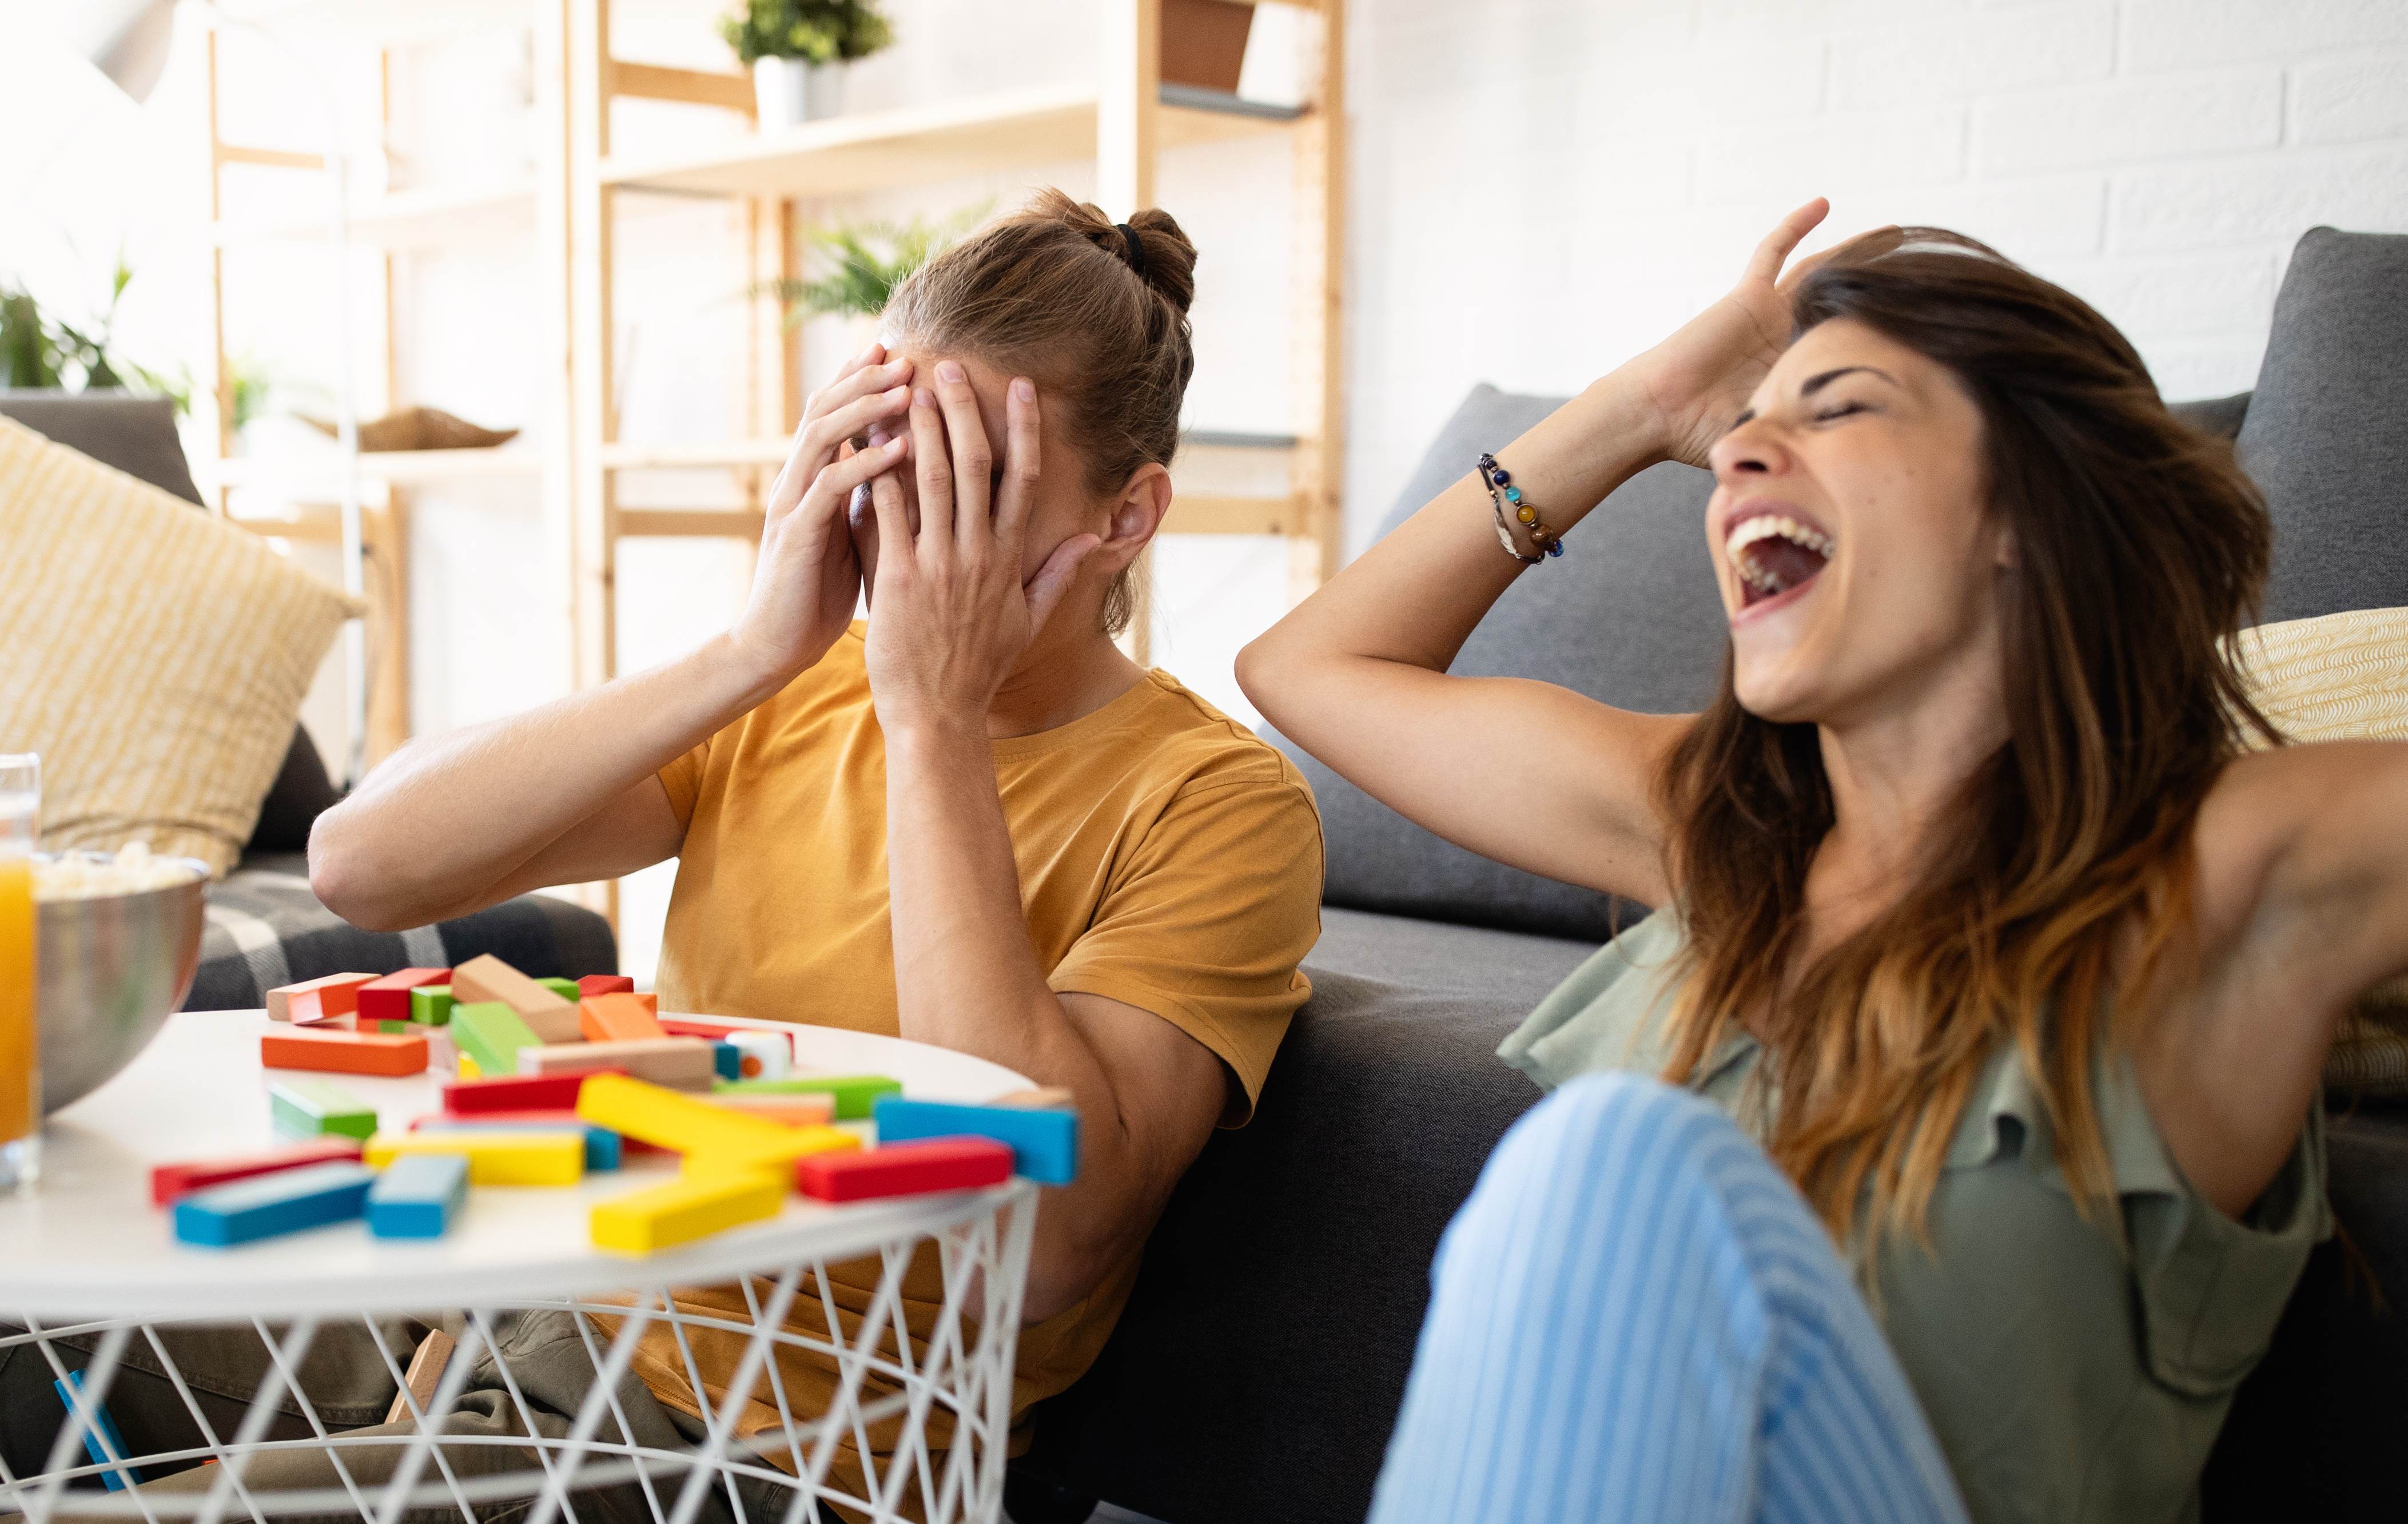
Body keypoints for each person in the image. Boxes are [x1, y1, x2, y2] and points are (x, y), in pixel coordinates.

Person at [2, 190, 1322, 1521]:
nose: (910, 525)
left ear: (1127, 517)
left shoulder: (1214, 805)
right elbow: (362, 864)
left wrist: (931, 722)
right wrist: (751, 647)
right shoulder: (792, 696)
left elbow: (1040, 1248)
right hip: (507, 1304)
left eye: (974, 482)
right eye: (880, 455)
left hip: (777, 1443)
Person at [1239, 199, 2408, 1523]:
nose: (1738, 454)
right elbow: (1310, 669)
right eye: (1740, 429)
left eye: (1838, 409)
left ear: (2029, 504)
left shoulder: (2219, 872)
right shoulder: (1715, 835)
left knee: (1615, 1152)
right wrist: (1643, 405)